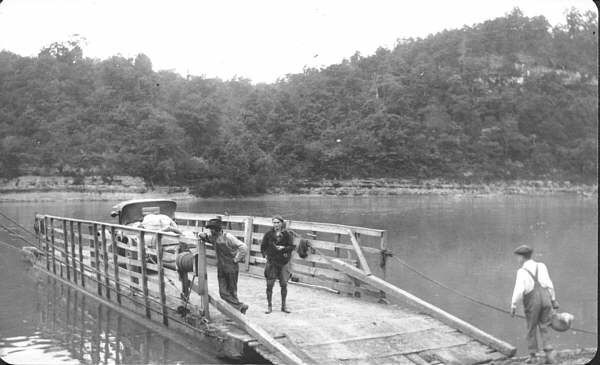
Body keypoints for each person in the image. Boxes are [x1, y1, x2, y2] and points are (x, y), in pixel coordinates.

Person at [510, 245, 559, 364]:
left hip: (533, 302)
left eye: (518, 257)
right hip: (546, 299)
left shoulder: (521, 271)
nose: (518, 259)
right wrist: (553, 300)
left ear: (522, 257)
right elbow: (549, 284)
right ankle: (549, 355)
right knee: (544, 326)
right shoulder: (541, 266)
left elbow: (518, 290)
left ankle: (533, 357)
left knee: (531, 328)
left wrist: (513, 305)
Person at [198, 217, 249, 314]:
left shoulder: (228, 237)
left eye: (212, 228)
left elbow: (243, 247)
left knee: (232, 291)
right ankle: (240, 307)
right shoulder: (213, 237)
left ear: (217, 228)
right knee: (223, 293)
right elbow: (207, 238)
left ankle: (236, 312)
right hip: (221, 267)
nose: (211, 230)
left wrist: (236, 259)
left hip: (231, 267)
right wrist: (202, 235)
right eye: (210, 229)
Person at [260, 215, 295, 313]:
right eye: (274, 222)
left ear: (282, 223)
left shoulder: (287, 234)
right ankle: (269, 306)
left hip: (283, 263)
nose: (276, 225)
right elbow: (263, 247)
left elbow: (292, 247)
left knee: (284, 285)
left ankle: (283, 306)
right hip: (272, 262)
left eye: (278, 223)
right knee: (269, 284)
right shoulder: (268, 234)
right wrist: (265, 255)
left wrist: (283, 248)